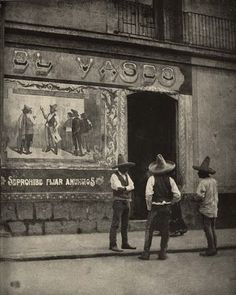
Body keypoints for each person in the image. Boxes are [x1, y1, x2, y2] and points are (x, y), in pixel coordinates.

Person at [139, 154, 181, 260]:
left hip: (155, 208)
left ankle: (146, 253)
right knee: (165, 230)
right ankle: (163, 253)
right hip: (166, 208)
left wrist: (149, 207)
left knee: (149, 229)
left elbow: (148, 195)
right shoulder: (170, 180)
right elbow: (177, 195)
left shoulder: (151, 179)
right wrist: (171, 202)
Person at [109, 154, 136, 252]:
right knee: (115, 223)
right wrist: (126, 188)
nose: (126, 168)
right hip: (118, 202)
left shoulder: (127, 176)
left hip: (126, 201)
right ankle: (113, 244)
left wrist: (125, 188)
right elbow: (118, 187)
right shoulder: (114, 176)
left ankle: (125, 243)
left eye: (127, 166)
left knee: (125, 223)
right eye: (124, 166)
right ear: (120, 167)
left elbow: (132, 186)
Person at [193, 156, 218, 256]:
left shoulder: (203, 182)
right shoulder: (213, 181)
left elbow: (200, 196)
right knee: (212, 228)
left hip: (206, 208)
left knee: (207, 228)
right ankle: (214, 247)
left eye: (199, 171)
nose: (198, 173)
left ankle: (211, 249)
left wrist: (194, 199)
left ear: (203, 173)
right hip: (214, 207)